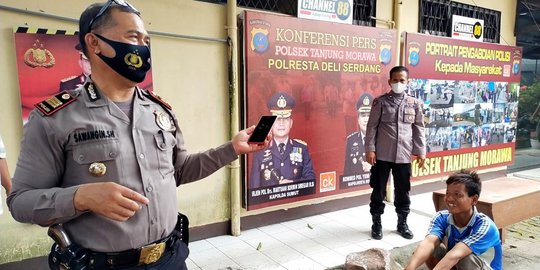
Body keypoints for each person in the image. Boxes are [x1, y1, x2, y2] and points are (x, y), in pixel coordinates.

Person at [7, 1, 269, 269]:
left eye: (145, 40)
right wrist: (81, 197)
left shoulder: (160, 111)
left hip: (170, 258)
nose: (142, 48)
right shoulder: (56, 117)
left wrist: (233, 148)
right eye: (133, 37)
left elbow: (179, 171)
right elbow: (21, 202)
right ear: (94, 43)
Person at [364, 65, 426, 240]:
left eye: (402, 80)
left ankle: (402, 223)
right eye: (395, 80)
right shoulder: (380, 102)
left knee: (403, 191)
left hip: (404, 156)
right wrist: (370, 149)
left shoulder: (415, 103)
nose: (398, 83)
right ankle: (376, 223)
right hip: (382, 155)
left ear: (408, 82)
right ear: (389, 81)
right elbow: (371, 127)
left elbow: (419, 128)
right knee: (378, 190)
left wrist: (421, 151)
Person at [404, 170, 502, 270]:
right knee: (429, 249)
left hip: (478, 265)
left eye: (457, 194)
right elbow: (428, 243)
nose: (449, 198)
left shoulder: (485, 226)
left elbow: (456, 255)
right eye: (447, 193)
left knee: (465, 258)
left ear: (474, 200)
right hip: (458, 261)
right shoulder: (442, 217)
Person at [250, 92, 315, 188]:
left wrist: (292, 184)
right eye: (277, 119)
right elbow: (254, 188)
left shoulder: (302, 149)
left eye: (286, 119)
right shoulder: (259, 151)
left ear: (291, 123)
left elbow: (311, 181)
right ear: (270, 124)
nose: (281, 123)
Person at [343, 93, 372, 176]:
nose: (366, 120)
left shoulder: (383, 140)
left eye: (369, 115)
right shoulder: (351, 141)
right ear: (358, 119)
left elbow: (390, 173)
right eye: (363, 115)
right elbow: (347, 173)